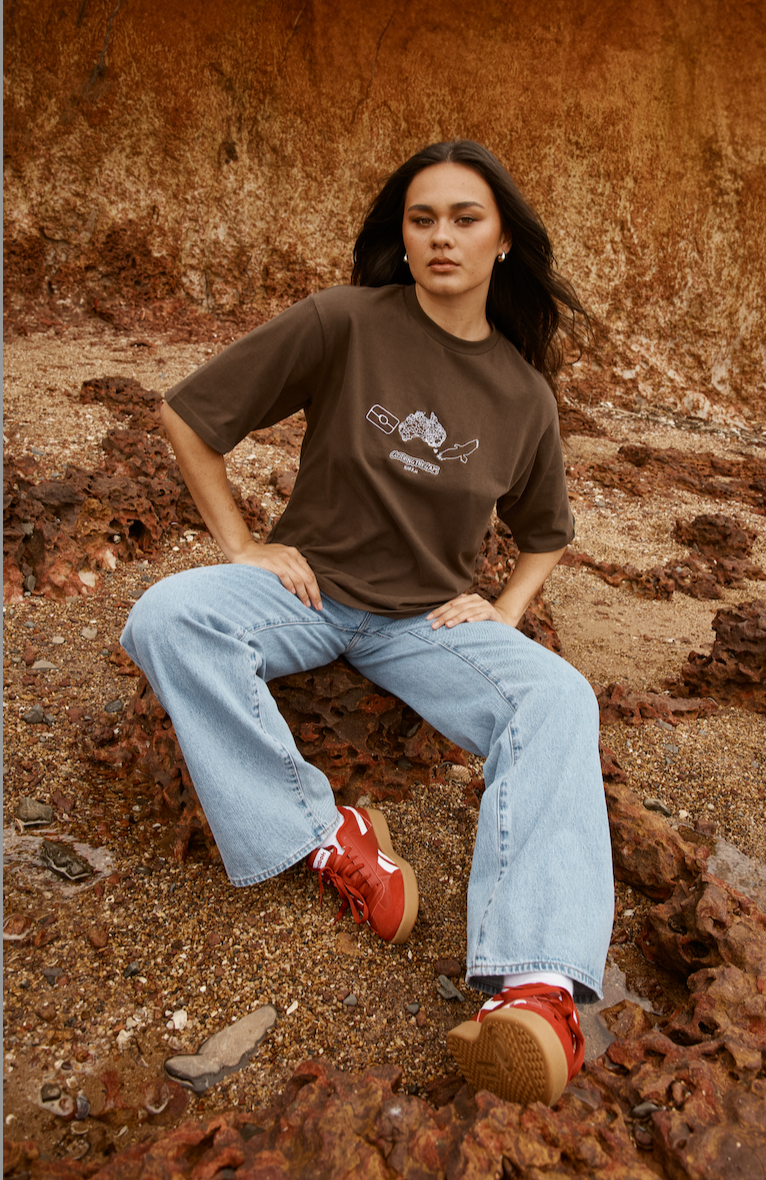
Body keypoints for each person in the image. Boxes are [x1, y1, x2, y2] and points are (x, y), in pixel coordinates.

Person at [121, 139, 615, 1108]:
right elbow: (189, 417)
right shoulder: (345, 320)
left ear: (502, 239)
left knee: (554, 694)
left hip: (425, 625)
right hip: (306, 594)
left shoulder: (522, 393)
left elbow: (547, 530)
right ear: (402, 232)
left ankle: (535, 986)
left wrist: (503, 607)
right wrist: (240, 543)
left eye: (464, 217)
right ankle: (328, 832)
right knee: (167, 611)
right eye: (421, 217)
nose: (440, 235)